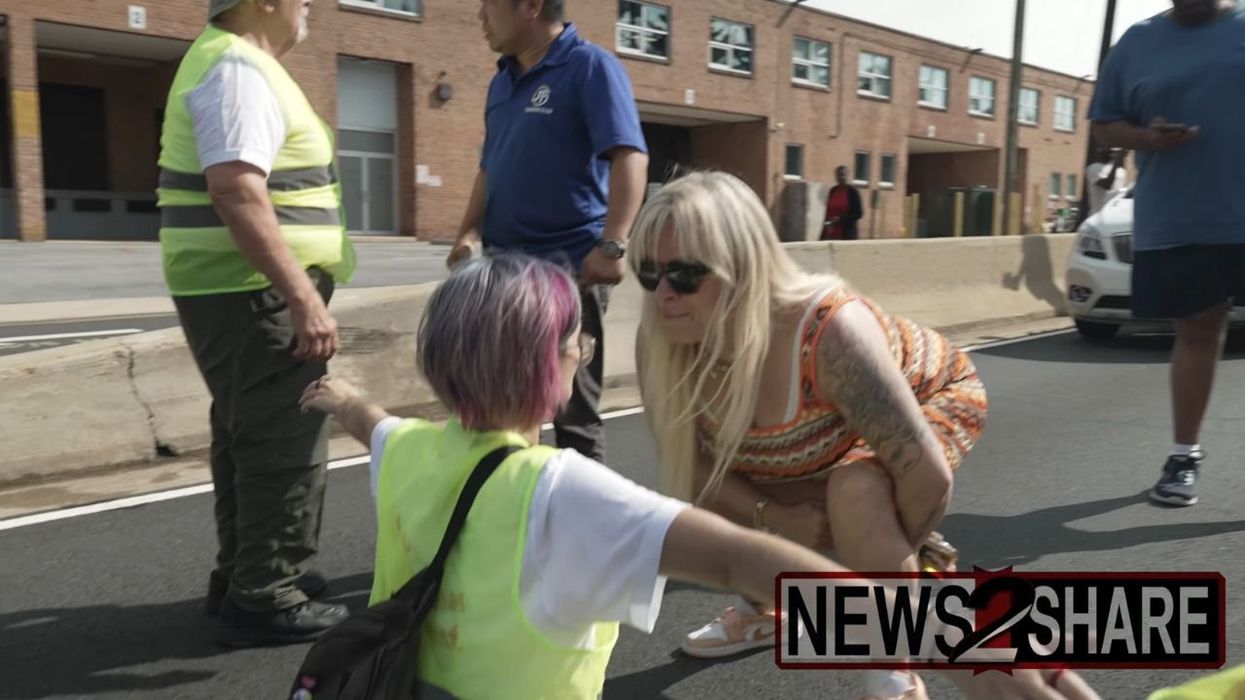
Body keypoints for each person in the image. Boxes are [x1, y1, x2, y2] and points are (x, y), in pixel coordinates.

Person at [299, 253, 1098, 700]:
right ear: (555, 366)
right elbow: (738, 560)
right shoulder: (564, 492)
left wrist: (341, 397)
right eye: (576, 343)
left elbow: (375, 427)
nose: (584, 353)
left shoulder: (406, 453)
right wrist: (899, 615)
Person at [628, 171, 987, 699]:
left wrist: (879, 558)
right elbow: (695, 473)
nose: (663, 295)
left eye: (684, 274)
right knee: (738, 474)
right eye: (648, 272)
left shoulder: (828, 331)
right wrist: (780, 520)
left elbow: (926, 474)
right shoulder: (660, 341)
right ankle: (768, 609)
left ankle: (893, 663)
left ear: (742, 268)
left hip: (933, 395)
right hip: (812, 438)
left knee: (856, 494)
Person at [155, 0, 356, 645]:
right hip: (255, 293)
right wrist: (300, 294)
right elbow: (237, 188)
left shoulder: (233, 63)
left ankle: (247, 572)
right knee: (283, 438)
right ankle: (265, 593)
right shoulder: (237, 68)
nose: (308, 10)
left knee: (247, 434)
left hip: (240, 290)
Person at [446, 0, 649, 463]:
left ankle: (584, 530)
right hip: (503, 271)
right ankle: (513, 512)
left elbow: (630, 155)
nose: (479, 14)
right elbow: (488, 167)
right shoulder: (501, 81)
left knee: (571, 411)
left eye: (488, 5)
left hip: (569, 271)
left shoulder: (590, 68)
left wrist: (613, 244)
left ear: (531, 7)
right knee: (500, 407)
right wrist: (467, 231)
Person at [1088, 0, 1244, 507]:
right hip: (1181, 214)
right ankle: (1184, 456)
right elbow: (1106, 124)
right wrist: (1147, 138)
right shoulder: (1137, 41)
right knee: (1198, 331)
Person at [822, 165, 865, 240]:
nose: (841, 177)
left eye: (843, 175)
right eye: (838, 175)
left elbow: (858, 213)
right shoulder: (833, 191)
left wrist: (840, 219)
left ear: (848, 176)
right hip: (830, 232)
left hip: (846, 233)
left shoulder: (852, 192)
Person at [1085, 147, 1127, 218]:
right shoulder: (1093, 168)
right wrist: (1117, 160)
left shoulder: (1121, 171)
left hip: (1114, 217)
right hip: (1097, 216)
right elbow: (1107, 185)